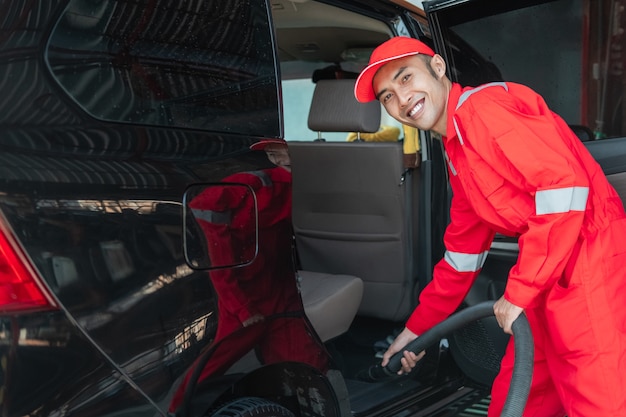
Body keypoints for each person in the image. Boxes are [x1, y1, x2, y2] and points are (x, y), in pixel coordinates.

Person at [354, 36, 626, 417]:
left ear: (437, 68)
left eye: (404, 78)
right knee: (523, 393)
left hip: (587, 257)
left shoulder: (483, 110)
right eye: (386, 96)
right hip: (544, 265)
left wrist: (519, 291)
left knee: (598, 397)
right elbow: (462, 257)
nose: (401, 99)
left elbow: (564, 188)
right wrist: (416, 332)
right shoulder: (457, 150)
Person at [169, 139, 328, 412]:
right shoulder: (261, 184)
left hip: (279, 291)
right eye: (276, 152)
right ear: (273, 158)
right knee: (215, 361)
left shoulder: (298, 188)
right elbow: (204, 206)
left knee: (305, 359)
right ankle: (175, 410)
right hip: (247, 296)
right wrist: (240, 306)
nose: (282, 157)